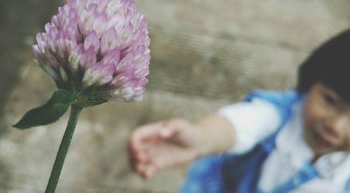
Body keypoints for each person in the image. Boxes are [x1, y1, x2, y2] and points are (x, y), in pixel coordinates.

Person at [129, 29, 350, 192]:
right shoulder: (281, 115)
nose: (335, 127)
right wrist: (199, 138)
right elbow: (239, 124)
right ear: (310, 84)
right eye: (330, 101)